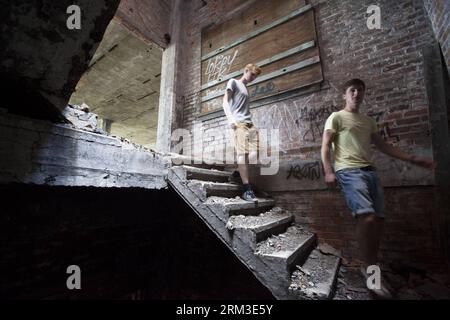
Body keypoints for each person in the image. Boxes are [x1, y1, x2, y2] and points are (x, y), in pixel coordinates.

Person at [320, 78, 435, 298]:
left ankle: (369, 265)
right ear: (345, 94)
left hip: (369, 172)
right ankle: (372, 273)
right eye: (352, 90)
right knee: (368, 218)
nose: (356, 94)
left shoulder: (368, 121)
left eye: (360, 90)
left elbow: (383, 146)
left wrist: (412, 159)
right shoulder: (336, 117)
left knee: (378, 220)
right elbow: (325, 146)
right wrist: (328, 171)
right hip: (348, 170)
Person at [223, 63, 262, 201]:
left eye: (255, 77)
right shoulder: (233, 82)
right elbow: (225, 101)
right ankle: (247, 189)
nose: (253, 78)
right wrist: (231, 119)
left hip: (250, 124)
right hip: (239, 123)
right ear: (246, 70)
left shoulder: (246, 89)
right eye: (252, 74)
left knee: (254, 155)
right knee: (242, 153)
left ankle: (238, 174)